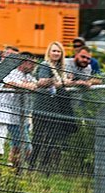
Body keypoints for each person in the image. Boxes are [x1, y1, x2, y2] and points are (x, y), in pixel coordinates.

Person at [0, 53, 38, 163]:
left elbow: (34, 85)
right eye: (31, 63)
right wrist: (25, 85)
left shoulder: (29, 76)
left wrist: (29, 85)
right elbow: (9, 84)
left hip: (15, 117)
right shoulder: (6, 70)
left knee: (21, 148)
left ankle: (12, 171)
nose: (33, 66)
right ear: (23, 62)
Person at [31, 41, 77, 172]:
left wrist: (66, 81)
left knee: (52, 139)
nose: (56, 53)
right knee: (38, 137)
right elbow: (42, 82)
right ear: (49, 52)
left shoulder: (61, 68)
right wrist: (62, 82)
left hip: (56, 107)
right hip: (42, 107)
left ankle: (44, 167)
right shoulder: (45, 65)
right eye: (54, 51)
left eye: (58, 51)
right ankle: (32, 164)